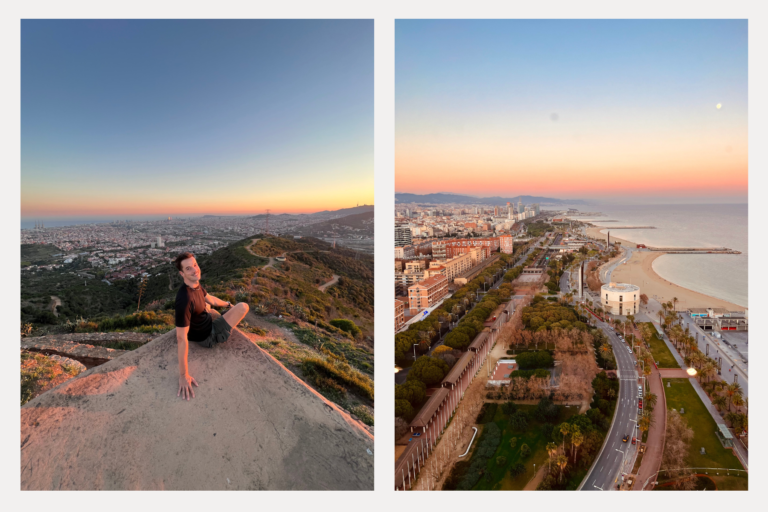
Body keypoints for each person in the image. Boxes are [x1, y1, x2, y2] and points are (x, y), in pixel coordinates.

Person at [173, 252, 249, 400]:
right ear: (182, 273)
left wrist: (227, 304)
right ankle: (221, 330)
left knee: (207, 305)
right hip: (208, 336)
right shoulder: (185, 299)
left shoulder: (194, 285)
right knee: (243, 307)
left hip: (202, 324)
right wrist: (183, 375)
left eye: (195, 265)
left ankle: (219, 313)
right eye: (188, 269)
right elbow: (181, 338)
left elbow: (211, 299)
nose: (195, 270)